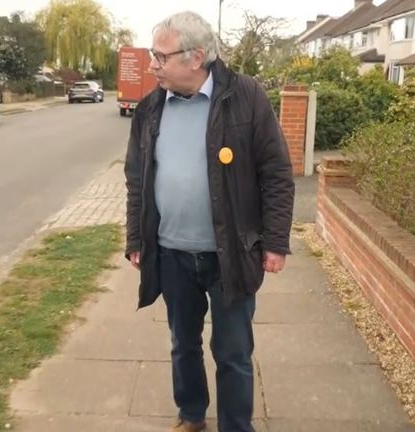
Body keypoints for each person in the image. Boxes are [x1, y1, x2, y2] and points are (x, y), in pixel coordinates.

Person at [124, 11, 294, 432]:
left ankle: (236, 426)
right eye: (152, 55)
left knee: (233, 351)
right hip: (170, 252)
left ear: (196, 57)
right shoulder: (150, 108)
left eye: (160, 57)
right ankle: (192, 415)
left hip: (231, 252)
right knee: (183, 344)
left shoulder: (246, 96)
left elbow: (276, 172)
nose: (152, 65)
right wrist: (136, 238)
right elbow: (136, 179)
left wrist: (275, 241)